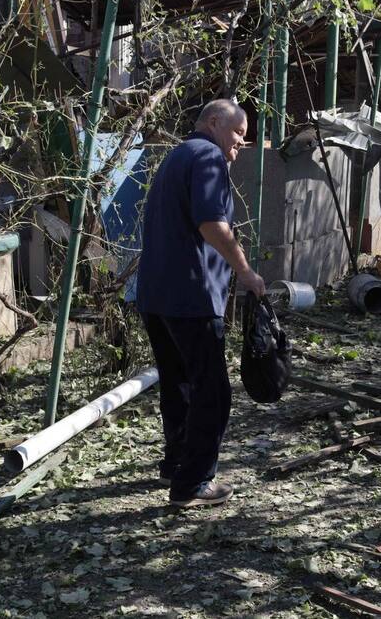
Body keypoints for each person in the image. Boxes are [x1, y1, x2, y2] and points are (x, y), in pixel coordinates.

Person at [136, 98, 266, 508]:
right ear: (213, 123)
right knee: (212, 393)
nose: (241, 144)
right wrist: (245, 272)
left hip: (155, 294)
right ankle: (193, 483)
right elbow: (213, 225)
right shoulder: (209, 157)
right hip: (190, 295)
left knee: (179, 385)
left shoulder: (178, 155)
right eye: (238, 133)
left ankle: (176, 463)